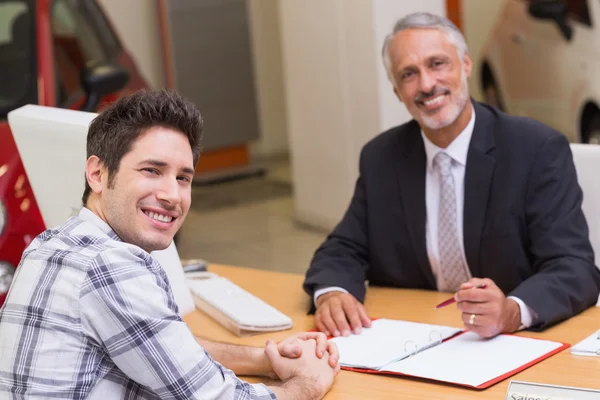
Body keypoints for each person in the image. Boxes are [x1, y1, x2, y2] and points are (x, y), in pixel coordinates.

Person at [0, 90, 339, 399]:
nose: (172, 196)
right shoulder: (110, 267)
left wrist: (264, 359)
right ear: (98, 174)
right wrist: (308, 383)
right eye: (151, 170)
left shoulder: (48, 245)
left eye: (183, 178)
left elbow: (159, 345)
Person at [303, 12, 600, 340]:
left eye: (437, 64)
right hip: (417, 338)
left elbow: (574, 266)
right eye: (409, 74)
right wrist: (332, 293)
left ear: (466, 65)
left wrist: (513, 312)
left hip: (514, 343)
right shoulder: (381, 158)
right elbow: (344, 247)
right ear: (397, 90)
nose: (427, 84)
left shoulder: (535, 150)